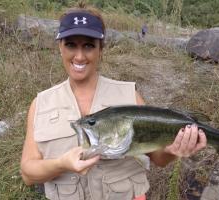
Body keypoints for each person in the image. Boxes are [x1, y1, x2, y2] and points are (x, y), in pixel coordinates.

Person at [20, 3, 207, 200]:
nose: (79, 56)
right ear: (60, 46)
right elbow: (28, 174)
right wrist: (61, 164)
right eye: (71, 44)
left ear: (101, 49)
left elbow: (158, 159)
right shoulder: (40, 104)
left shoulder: (129, 95)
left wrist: (174, 150)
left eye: (89, 45)